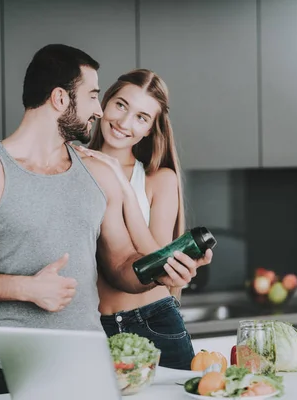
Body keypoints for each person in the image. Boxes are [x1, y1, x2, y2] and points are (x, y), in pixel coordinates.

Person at [0, 44, 213, 395]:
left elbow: (121, 263)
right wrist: (24, 288)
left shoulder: (97, 171)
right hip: (19, 362)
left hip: (90, 357)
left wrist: (162, 270)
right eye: (92, 95)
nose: (100, 110)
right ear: (60, 98)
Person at [73, 69, 195, 370]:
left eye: (141, 117)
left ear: (151, 129)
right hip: (90, 328)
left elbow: (159, 260)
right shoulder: (71, 164)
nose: (124, 123)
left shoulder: (158, 179)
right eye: (121, 105)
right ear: (103, 103)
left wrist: (125, 188)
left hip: (154, 323)